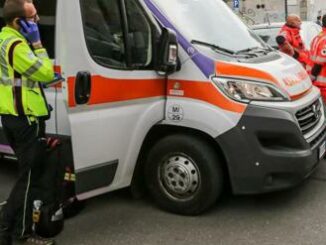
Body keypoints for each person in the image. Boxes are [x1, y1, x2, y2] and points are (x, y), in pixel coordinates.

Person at [0, 0, 55, 244]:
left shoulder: (2, 38)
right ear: (17, 22)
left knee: (26, 177)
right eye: (32, 18)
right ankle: (21, 236)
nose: (37, 21)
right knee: (29, 180)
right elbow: (46, 73)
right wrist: (38, 44)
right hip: (25, 120)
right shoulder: (18, 45)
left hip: (11, 116)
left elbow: (19, 78)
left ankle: (5, 230)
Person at [309, 14, 326, 101]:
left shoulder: (318, 37)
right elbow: (320, 62)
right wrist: (312, 77)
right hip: (323, 85)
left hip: (318, 82)